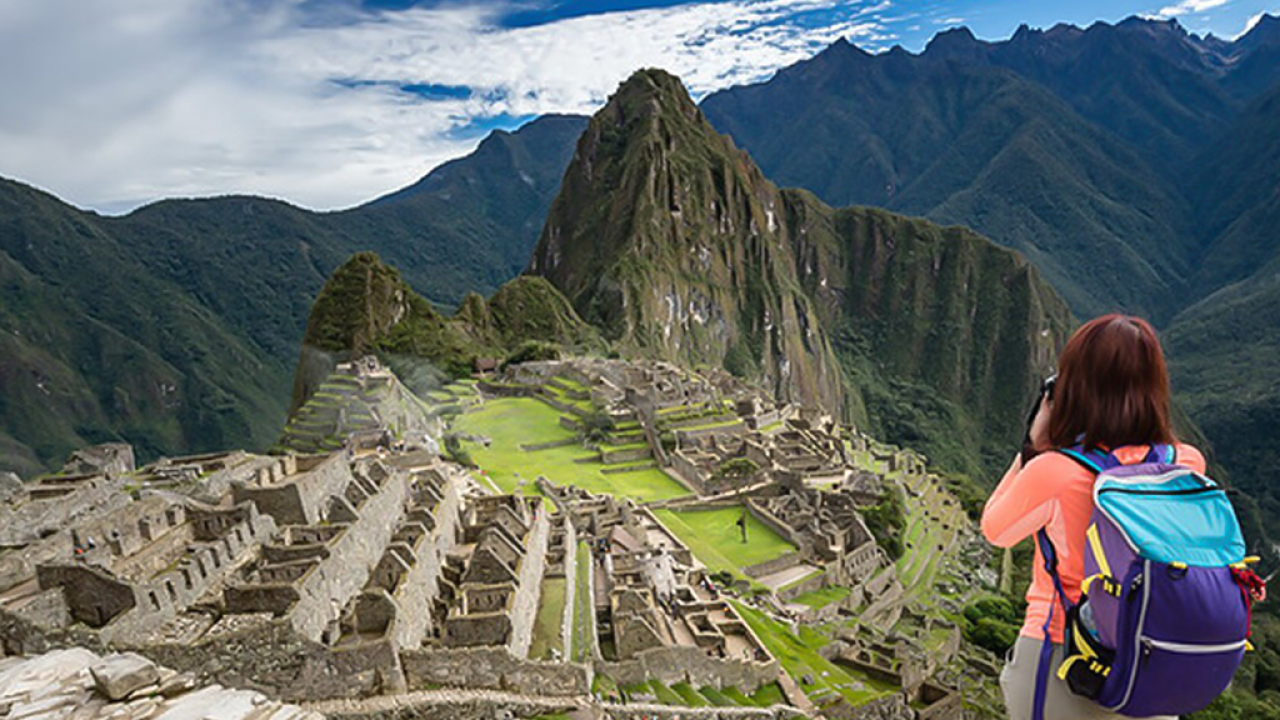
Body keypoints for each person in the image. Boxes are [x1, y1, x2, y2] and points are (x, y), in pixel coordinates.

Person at [981, 315, 1204, 720]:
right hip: (1150, 662)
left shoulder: (1056, 472)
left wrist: (1033, 448)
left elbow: (995, 529)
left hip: (1060, 657)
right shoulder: (1185, 464)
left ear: (1073, 389)